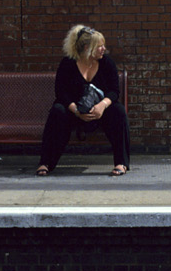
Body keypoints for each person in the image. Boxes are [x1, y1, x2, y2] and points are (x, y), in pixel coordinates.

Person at [36, 24, 130, 177]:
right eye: (99, 46)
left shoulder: (107, 63)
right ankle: (46, 162)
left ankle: (121, 163)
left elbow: (114, 91)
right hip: (73, 111)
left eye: (103, 46)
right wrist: (76, 111)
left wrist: (102, 106)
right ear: (87, 47)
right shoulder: (68, 64)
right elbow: (61, 92)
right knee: (57, 111)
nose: (103, 49)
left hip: (100, 112)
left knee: (118, 111)